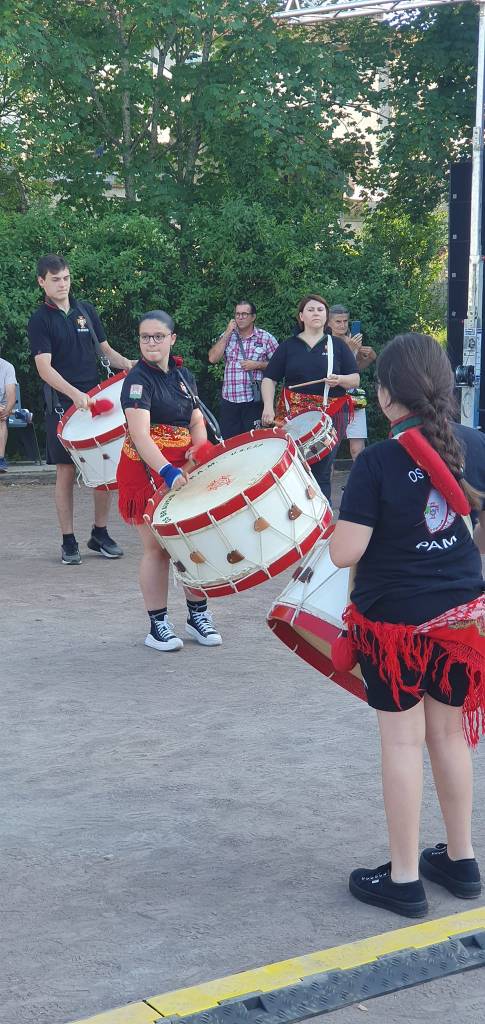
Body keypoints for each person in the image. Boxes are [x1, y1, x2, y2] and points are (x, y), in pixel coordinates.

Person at [330, 333, 484, 919]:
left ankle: (403, 878)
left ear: (388, 396)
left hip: (393, 630)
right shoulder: (474, 444)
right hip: (462, 623)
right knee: (448, 737)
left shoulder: (376, 461)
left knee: (401, 740)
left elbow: (347, 553)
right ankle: (463, 859)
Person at [117, 310, 222, 652]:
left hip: (181, 466)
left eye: (158, 336)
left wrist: (200, 447)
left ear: (172, 339)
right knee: (158, 549)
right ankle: (158, 624)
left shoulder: (183, 375)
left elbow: (195, 419)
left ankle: (198, 616)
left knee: (194, 543)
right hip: (148, 469)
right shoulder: (136, 381)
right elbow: (141, 435)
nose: (151, 342)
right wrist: (167, 471)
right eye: (145, 336)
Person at [28, 254, 134, 565]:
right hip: (62, 405)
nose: (62, 284)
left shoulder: (85, 310)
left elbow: (105, 350)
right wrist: (74, 395)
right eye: (55, 279)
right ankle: (68, 540)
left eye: (66, 278)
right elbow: (44, 368)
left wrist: (129, 364)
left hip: (95, 400)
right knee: (65, 471)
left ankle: (99, 533)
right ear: (42, 282)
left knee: (103, 469)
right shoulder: (40, 320)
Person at [261, 295, 359, 503]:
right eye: (311, 309)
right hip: (292, 415)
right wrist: (268, 407)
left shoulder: (338, 346)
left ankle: (321, 521)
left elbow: (355, 379)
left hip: (330, 414)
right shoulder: (289, 346)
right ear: (301, 316)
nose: (316, 313)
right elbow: (269, 378)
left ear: (326, 317)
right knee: (295, 469)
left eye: (321, 310)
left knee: (322, 470)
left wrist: (339, 379)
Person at [208, 301, 278, 439]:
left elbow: (279, 365)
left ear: (253, 317)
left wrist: (257, 365)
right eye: (237, 314)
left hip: (253, 400)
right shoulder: (227, 336)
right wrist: (228, 332)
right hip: (229, 400)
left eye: (244, 314)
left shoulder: (265, 338)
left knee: (254, 441)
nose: (240, 317)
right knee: (229, 444)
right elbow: (212, 358)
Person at [327, 304, 376, 461]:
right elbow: (330, 371)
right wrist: (348, 349)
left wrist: (369, 357)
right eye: (338, 322)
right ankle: (325, 485)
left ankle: (359, 484)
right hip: (332, 398)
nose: (342, 325)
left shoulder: (354, 340)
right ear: (328, 323)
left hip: (354, 398)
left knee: (357, 449)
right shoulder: (324, 342)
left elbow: (355, 371)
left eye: (345, 321)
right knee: (329, 450)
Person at [0, 354, 17, 472]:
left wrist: (5, 412)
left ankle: (0, 459)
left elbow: (11, 398)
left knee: (1, 419)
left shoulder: (7, 367)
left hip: (2, 407)